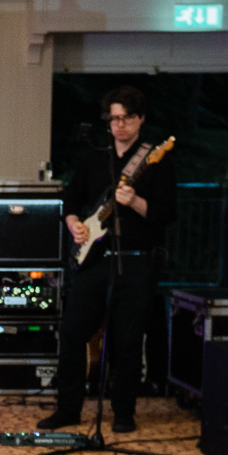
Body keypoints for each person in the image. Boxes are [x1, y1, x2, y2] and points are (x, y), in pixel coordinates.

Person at [37, 85, 174, 435]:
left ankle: (123, 413)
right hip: (96, 259)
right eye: (113, 118)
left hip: (136, 262)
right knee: (71, 333)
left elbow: (167, 213)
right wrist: (74, 225)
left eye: (126, 118)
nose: (119, 125)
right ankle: (68, 409)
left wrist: (136, 204)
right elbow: (71, 197)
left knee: (127, 342)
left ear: (140, 120)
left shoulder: (157, 160)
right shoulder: (96, 158)